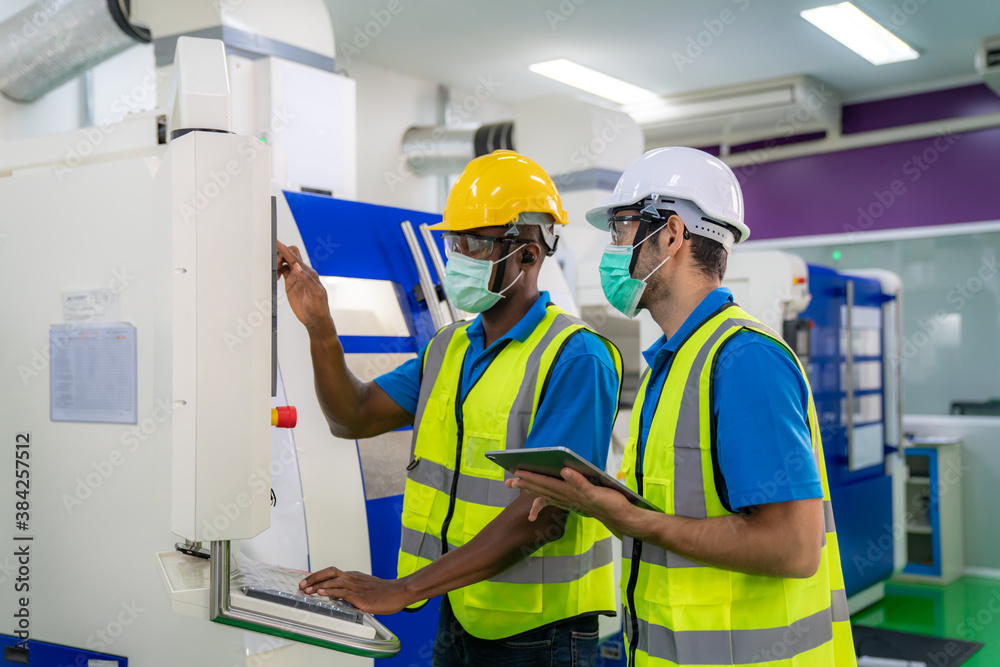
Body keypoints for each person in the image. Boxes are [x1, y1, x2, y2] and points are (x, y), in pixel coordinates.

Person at [510, 147, 856, 666]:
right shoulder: (674, 362)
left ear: (670, 235)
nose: (612, 248)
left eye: (621, 229)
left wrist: (632, 520)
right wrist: (596, 502)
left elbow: (792, 547)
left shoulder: (743, 361)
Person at [277, 150, 623, 666]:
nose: (456, 256)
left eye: (475, 244)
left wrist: (404, 588)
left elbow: (541, 516)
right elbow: (351, 415)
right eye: (454, 241)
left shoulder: (576, 357)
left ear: (528, 255)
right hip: (462, 612)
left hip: (542, 635)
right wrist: (320, 327)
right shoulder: (448, 348)